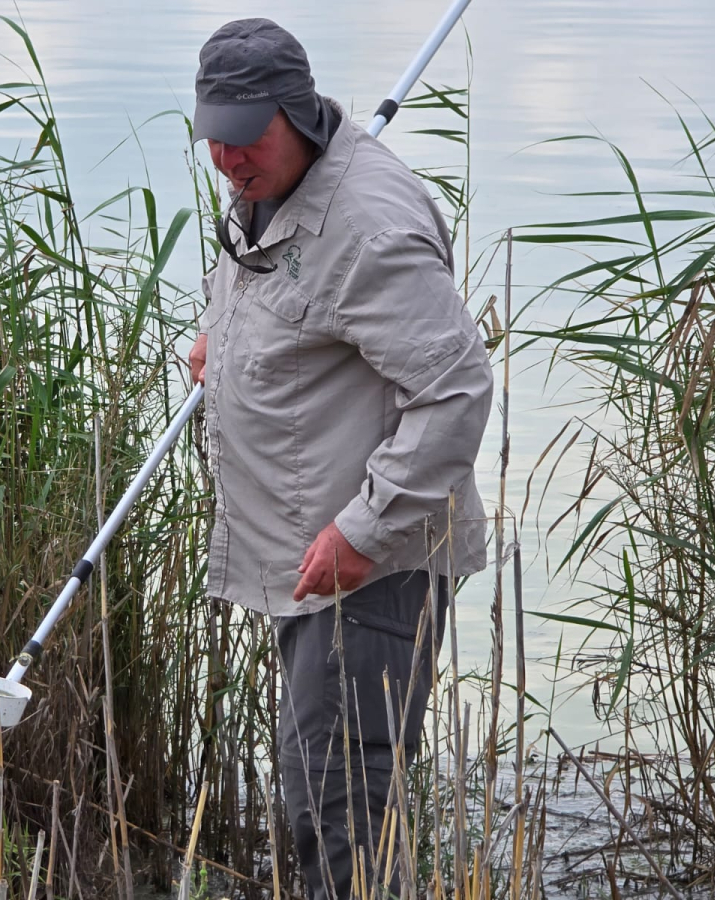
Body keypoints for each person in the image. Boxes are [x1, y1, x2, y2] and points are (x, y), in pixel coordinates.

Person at [186, 18, 494, 900]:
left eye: (247, 138)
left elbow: (457, 389)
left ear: (298, 114)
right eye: (215, 137)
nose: (228, 158)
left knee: (344, 803)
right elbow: (301, 311)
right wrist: (225, 345)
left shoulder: (367, 224)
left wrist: (363, 531)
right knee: (319, 788)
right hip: (304, 552)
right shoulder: (272, 182)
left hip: (369, 570)